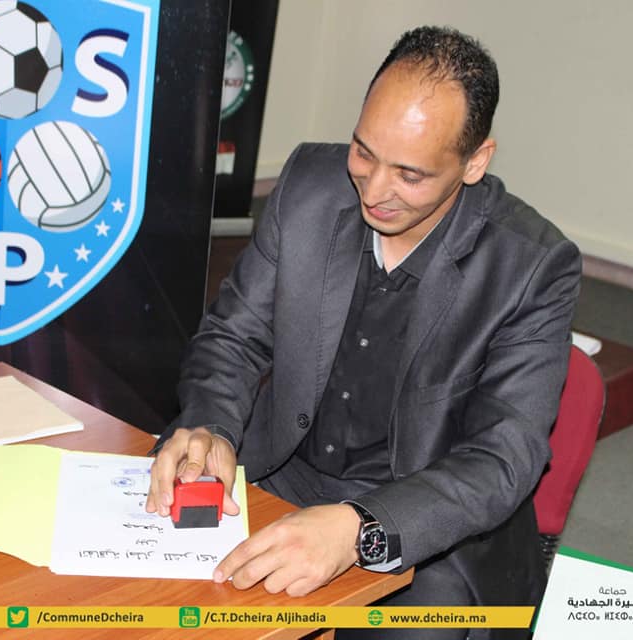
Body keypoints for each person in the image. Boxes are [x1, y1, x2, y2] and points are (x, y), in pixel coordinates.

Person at [147, 25, 581, 640]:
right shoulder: (309, 185)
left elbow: (502, 459)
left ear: (475, 162)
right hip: (276, 474)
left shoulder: (531, 266)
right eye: (364, 152)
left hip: (421, 518)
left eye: (410, 175)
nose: (374, 191)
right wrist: (212, 425)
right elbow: (233, 336)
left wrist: (358, 527)